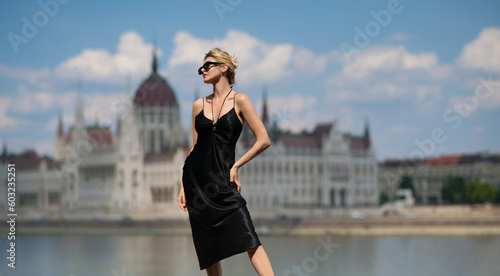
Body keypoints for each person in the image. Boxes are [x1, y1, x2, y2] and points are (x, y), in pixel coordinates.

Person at [178, 48, 274, 276]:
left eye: (207, 65)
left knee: (249, 237)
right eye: (201, 67)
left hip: (223, 182)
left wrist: (237, 165)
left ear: (224, 68)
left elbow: (264, 140)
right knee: (209, 248)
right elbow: (194, 148)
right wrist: (182, 186)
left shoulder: (241, 101)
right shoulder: (198, 105)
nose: (202, 70)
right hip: (196, 185)